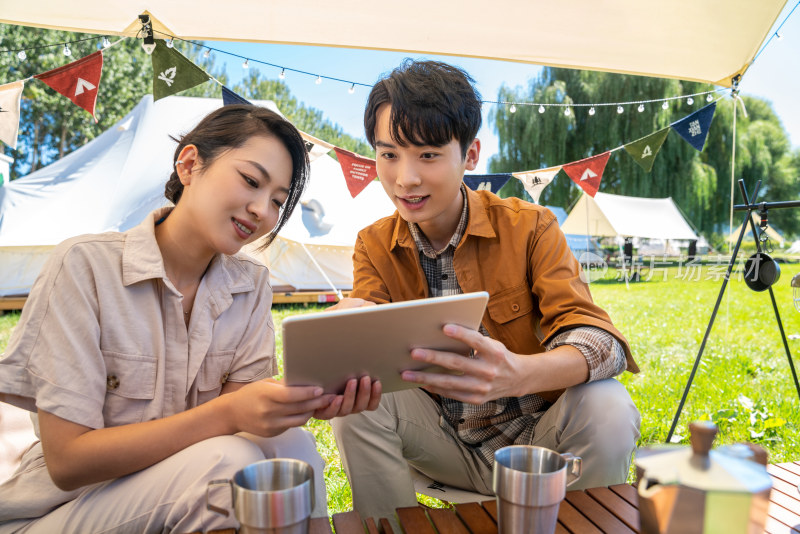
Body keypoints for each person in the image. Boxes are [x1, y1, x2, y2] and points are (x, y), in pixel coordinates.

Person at [0, 104, 379, 533]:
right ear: (189, 164)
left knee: (292, 444)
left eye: (277, 200)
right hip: (61, 512)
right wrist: (230, 414)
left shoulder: (250, 285)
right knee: (228, 464)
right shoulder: (85, 266)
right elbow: (68, 462)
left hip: (181, 488)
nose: (261, 210)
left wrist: (309, 395)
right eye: (251, 181)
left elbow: (250, 421)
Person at [330, 60, 641, 523]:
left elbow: (600, 342)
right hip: (442, 442)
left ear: (470, 155)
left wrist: (519, 374)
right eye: (389, 154)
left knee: (609, 404)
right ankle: (390, 528)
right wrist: (351, 330)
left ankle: (581, 526)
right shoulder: (373, 244)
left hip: (540, 443)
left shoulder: (531, 225)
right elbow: (372, 357)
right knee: (357, 397)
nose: (405, 178)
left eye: (428, 155)